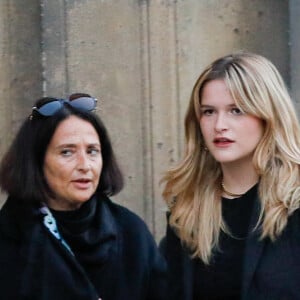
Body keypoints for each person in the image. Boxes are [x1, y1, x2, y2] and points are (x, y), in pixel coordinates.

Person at [160, 52, 300, 300]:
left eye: (236, 110)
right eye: (209, 112)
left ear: (269, 117)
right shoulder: (187, 211)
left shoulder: (294, 203)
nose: (219, 125)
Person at [0, 93, 166, 300]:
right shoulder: (9, 237)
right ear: (36, 161)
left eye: (92, 151)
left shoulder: (131, 233)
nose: (85, 165)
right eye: (67, 152)